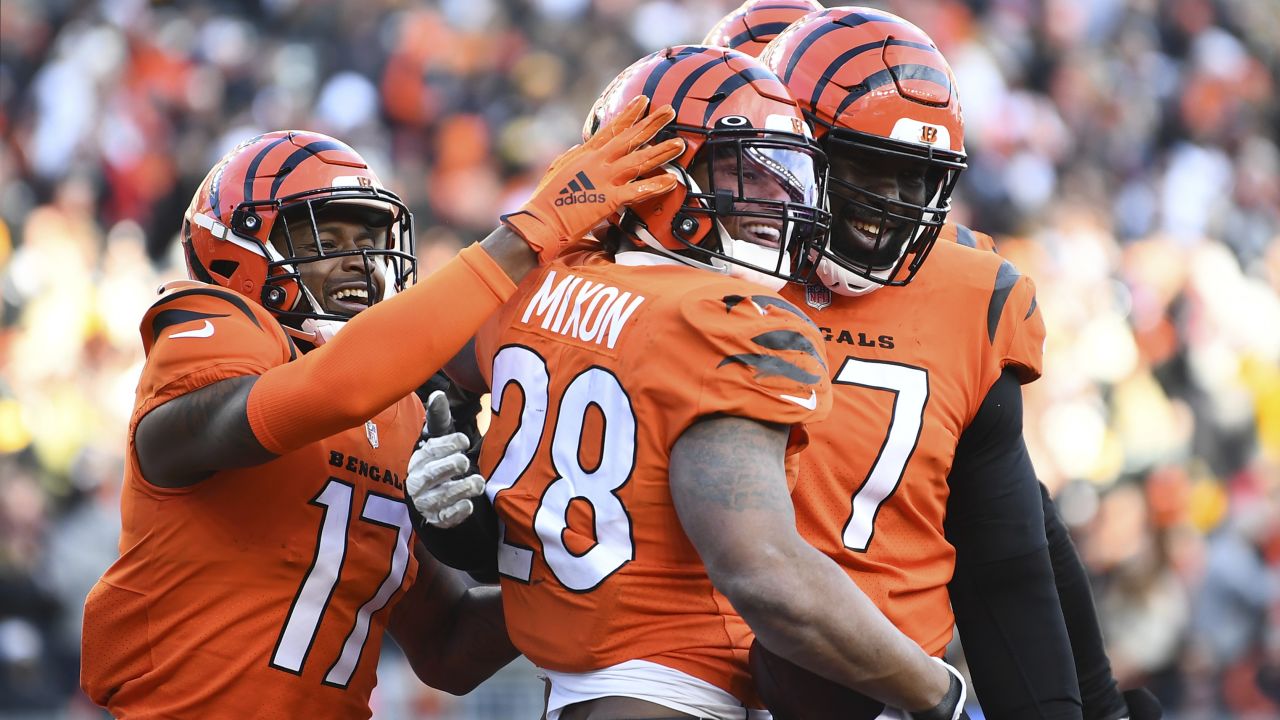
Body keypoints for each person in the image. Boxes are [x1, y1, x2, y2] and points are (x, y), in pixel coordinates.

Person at [78, 109, 686, 719]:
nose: (359, 260)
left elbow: (448, 647)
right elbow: (323, 392)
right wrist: (529, 233)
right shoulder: (208, 332)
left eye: (370, 240)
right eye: (326, 238)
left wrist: (585, 568)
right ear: (239, 252)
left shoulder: (398, 414)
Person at [445, 44, 969, 720]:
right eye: (741, 170)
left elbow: (433, 362)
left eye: (784, 176)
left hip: (580, 687)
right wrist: (938, 694)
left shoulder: (534, 284)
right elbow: (765, 574)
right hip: (678, 687)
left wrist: (457, 494)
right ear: (655, 173)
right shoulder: (727, 324)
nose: (775, 199)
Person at [702, 4, 1161, 718]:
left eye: (910, 180)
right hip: (693, 671)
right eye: (866, 169)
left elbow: (1013, 548)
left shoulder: (969, 290)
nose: (886, 206)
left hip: (890, 681)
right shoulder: (689, 271)